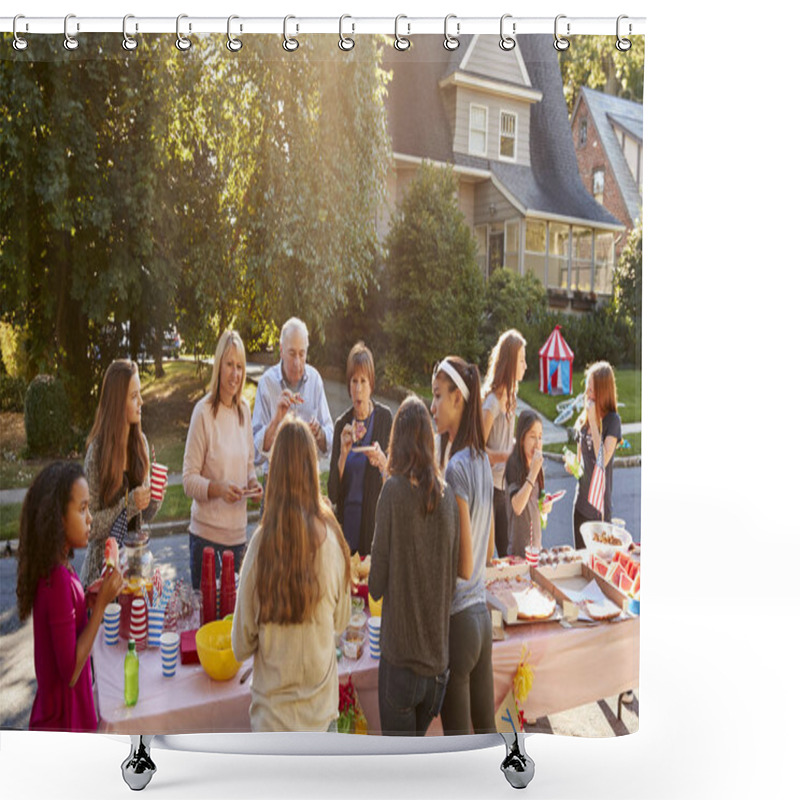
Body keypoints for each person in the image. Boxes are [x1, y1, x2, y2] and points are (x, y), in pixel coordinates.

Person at [232, 418, 351, 732]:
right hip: (321, 721)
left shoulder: (260, 545)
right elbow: (341, 622)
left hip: (273, 724)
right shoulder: (333, 540)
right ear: (313, 470)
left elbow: (240, 645)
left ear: (275, 474)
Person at [369, 396, 461, 735]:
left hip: (402, 666)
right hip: (437, 670)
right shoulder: (448, 495)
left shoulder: (392, 492)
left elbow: (375, 585)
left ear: (398, 442)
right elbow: (450, 583)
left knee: (399, 776)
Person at [17, 461, 123, 731]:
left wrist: (86, 600)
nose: (89, 518)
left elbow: (67, 629)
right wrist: (99, 607)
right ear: (59, 518)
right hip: (64, 723)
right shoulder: (58, 581)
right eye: (82, 509)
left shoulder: (60, 568)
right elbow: (71, 672)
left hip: (66, 715)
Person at [430, 356, 496, 736]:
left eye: (438, 396)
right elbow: (488, 553)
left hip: (459, 623)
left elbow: (465, 564)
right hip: (482, 620)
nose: (433, 406)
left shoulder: (455, 468)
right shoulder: (481, 459)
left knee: (458, 748)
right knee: (488, 732)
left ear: (458, 398)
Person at [183, 330, 261, 589]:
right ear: (219, 366)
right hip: (205, 541)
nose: (235, 374)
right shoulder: (203, 413)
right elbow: (188, 480)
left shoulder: (244, 412)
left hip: (238, 540)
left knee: (233, 625)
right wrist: (218, 489)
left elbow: (249, 466)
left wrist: (253, 484)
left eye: (240, 366)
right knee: (207, 624)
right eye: (229, 365)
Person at [80, 359, 161, 587]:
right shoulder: (97, 453)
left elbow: (142, 518)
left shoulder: (140, 443)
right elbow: (91, 525)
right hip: (101, 578)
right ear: (117, 403)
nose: (141, 402)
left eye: (140, 394)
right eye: (134, 396)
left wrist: (153, 498)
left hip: (134, 574)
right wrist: (131, 503)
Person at [327, 342, 392, 555]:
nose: (358, 389)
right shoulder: (342, 425)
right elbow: (333, 494)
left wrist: (383, 461)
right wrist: (343, 456)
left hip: (374, 531)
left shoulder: (384, 419)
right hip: (346, 529)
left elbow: (395, 483)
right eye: (354, 381)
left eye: (363, 381)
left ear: (371, 384)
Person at [251, 317, 334, 482]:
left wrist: (319, 433)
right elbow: (255, 454)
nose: (297, 362)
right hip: (276, 483)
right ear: (281, 350)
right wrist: (276, 420)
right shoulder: (267, 384)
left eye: (302, 354)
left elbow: (330, 443)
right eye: (291, 353)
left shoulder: (315, 380)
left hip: (308, 483)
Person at [481, 329, 527, 559]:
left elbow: (503, 440)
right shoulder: (492, 403)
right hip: (490, 490)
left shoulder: (512, 398)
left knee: (509, 552)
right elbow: (476, 450)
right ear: (509, 363)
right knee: (494, 555)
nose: (525, 366)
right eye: (521, 360)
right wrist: (506, 456)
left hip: (505, 486)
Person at [570, 361, 622, 549]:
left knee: (598, 568)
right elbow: (580, 462)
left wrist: (593, 420)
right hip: (580, 505)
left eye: (591, 390)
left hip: (599, 511)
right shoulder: (584, 419)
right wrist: (573, 466)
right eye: (587, 389)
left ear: (602, 392)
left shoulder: (612, 421)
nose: (587, 395)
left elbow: (603, 460)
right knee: (580, 564)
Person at [504, 410, 552, 557]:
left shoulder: (537, 466)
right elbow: (517, 507)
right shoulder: (513, 465)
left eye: (540, 437)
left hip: (536, 548)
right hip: (517, 552)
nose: (537, 443)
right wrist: (532, 473)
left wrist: (546, 505)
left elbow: (537, 505)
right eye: (532, 437)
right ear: (522, 439)